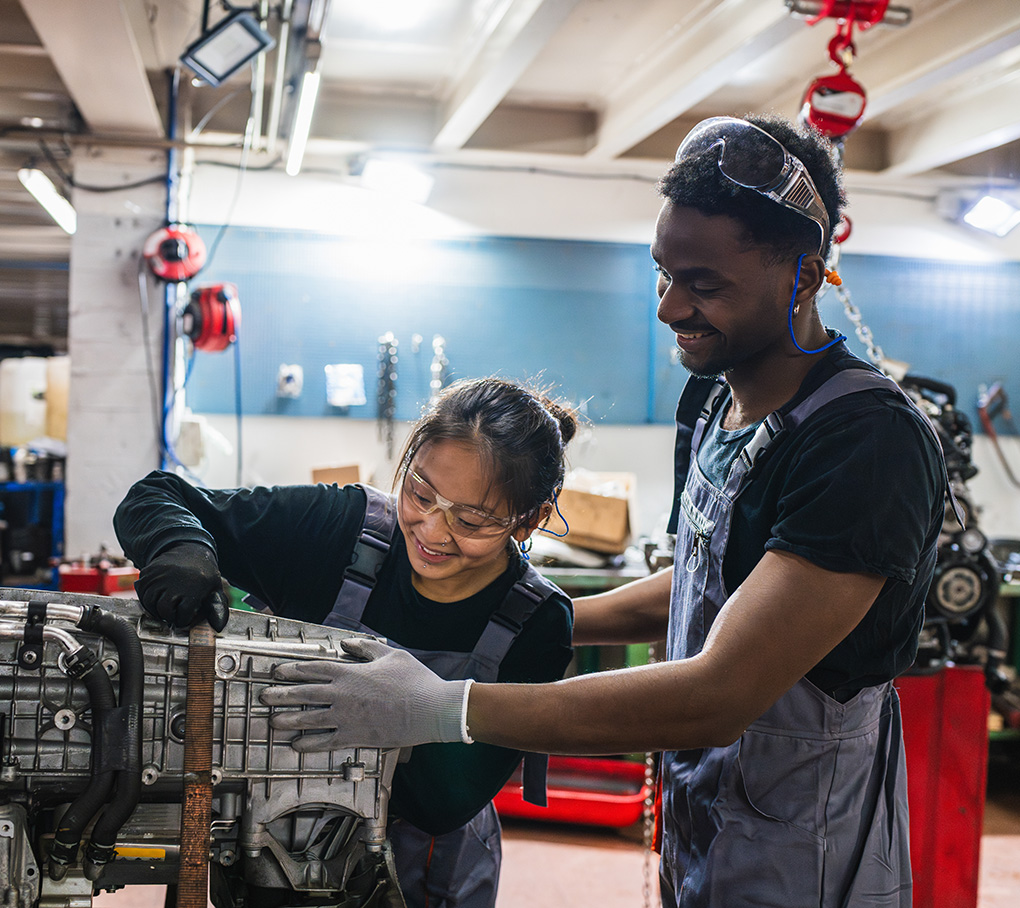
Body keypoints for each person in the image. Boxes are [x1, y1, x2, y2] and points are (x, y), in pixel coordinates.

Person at [261, 113, 949, 908]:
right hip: (707, 820)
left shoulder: (866, 442)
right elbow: (706, 588)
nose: (667, 308)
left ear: (802, 274)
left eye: (704, 285)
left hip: (809, 845)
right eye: (663, 272)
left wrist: (440, 707)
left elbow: (721, 691)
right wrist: (527, 615)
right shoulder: (711, 399)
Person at [113, 376, 579, 908]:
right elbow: (157, 495)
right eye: (421, 493)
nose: (431, 529)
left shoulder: (537, 623)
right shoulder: (341, 528)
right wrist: (182, 546)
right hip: (250, 852)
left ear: (531, 519)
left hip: (417, 872)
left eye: (471, 521)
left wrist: (406, 712)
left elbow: (445, 802)